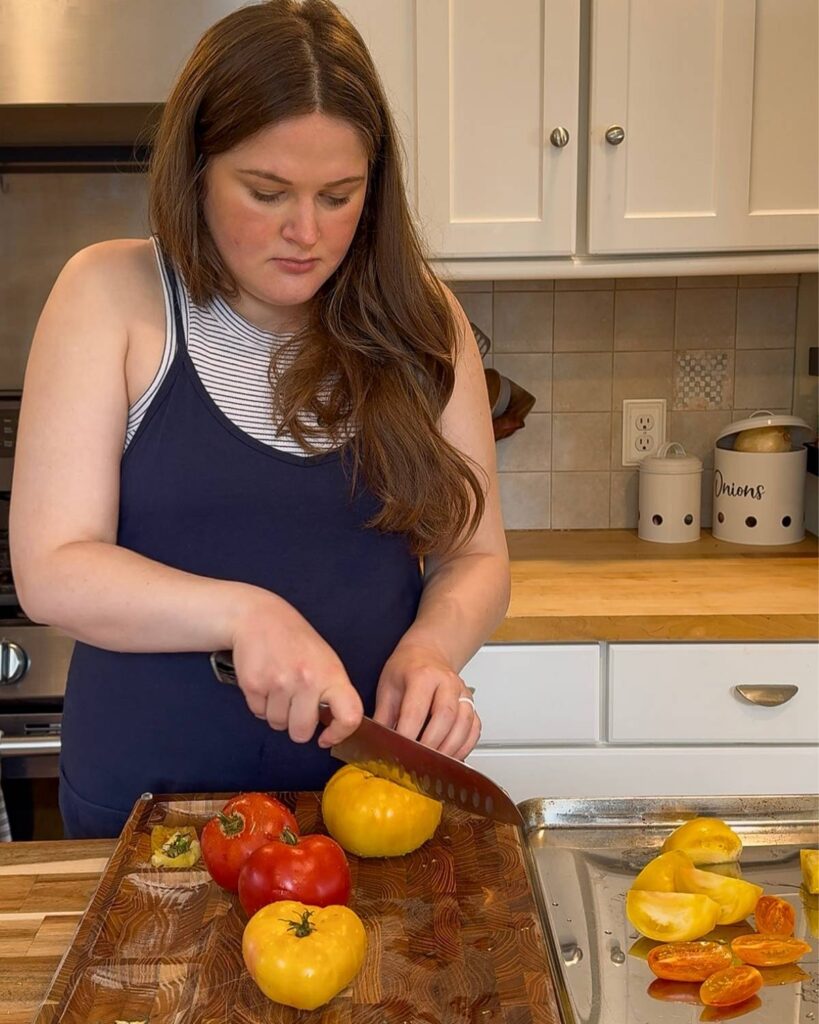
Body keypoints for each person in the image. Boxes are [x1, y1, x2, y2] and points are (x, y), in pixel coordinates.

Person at [9, 0, 509, 839]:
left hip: (367, 804)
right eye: (266, 191)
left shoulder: (424, 320)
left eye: (339, 196)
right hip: (152, 811)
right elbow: (53, 569)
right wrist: (249, 613)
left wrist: (434, 648)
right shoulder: (109, 296)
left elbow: (475, 552)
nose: (305, 232)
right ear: (196, 170)